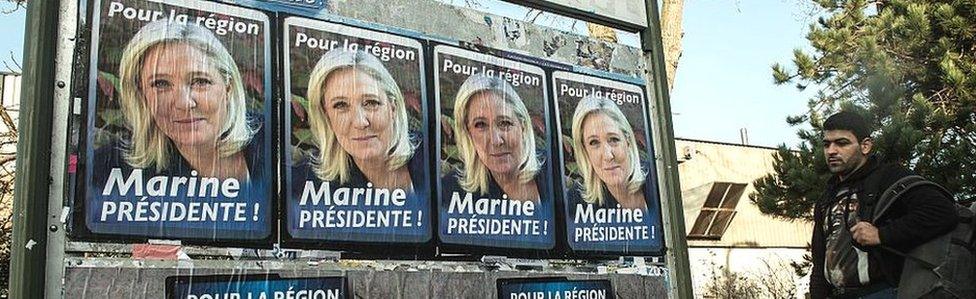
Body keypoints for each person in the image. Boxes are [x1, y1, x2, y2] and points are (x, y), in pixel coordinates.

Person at [93, 19, 262, 188]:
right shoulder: (106, 172)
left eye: (200, 81)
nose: (183, 103)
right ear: (142, 94)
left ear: (228, 88)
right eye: (161, 84)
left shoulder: (276, 142)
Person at [810, 111, 958, 298]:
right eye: (826, 144)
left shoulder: (888, 178)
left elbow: (942, 211)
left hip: (884, 291)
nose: (831, 151)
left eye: (842, 143)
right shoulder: (827, 197)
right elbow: (820, 260)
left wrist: (881, 234)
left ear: (865, 146)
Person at [300, 48, 421, 192]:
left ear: (393, 108)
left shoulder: (432, 159)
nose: (360, 122)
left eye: (371, 103)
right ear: (327, 116)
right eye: (341, 105)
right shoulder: (304, 185)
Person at [447, 74, 541, 202]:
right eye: (480, 125)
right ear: (468, 134)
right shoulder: (451, 191)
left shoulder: (553, 173)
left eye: (504, 123)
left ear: (523, 126)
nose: (496, 141)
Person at [570, 96, 647, 210]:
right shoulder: (575, 204)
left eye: (614, 139)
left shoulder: (657, 180)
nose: (608, 156)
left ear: (628, 141)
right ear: (585, 151)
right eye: (594, 142)